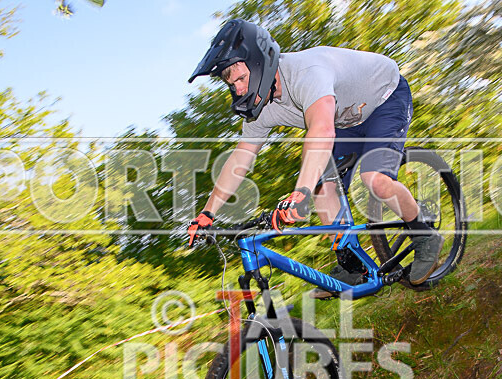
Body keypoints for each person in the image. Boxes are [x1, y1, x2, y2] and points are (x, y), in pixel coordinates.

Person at [186, 18, 443, 294]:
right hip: (346, 120)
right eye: (230, 83)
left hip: (384, 99)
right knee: (323, 188)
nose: (237, 90)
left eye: (240, 78)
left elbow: (321, 129)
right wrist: (207, 212)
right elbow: (240, 159)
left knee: (375, 179)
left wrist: (300, 192)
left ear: (260, 63)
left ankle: (424, 234)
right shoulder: (261, 107)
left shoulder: (305, 72)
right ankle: (351, 263)